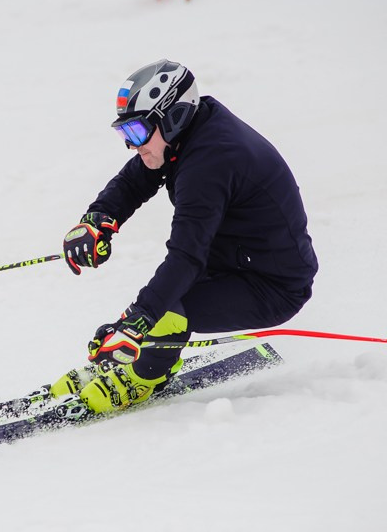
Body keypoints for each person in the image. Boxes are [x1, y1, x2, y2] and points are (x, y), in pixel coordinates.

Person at [53, 59, 318, 414]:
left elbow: (186, 256)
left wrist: (137, 322)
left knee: (167, 309)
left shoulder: (211, 162)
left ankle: (142, 378)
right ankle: (151, 351)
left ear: (172, 115)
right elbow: (136, 180)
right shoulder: (189, 133)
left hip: (272, 286)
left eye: (136, 133)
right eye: (125, 135)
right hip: (234, 260)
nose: (132, 146)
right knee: (161, 302)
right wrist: (97, 219)